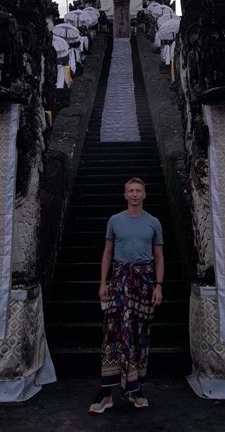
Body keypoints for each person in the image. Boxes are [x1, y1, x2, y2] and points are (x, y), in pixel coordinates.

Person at [88, 177, 164, 414]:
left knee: (140, 335)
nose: (134, 194)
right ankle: (106, 392)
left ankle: (136, 388)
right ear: (125, 195)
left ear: (144, 194)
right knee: (114, 333)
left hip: (144, 282)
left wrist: (158, 286)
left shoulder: (153, 222)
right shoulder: (115, 220)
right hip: (119, 280)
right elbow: (108, 253)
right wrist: (103, 283)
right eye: (130, 190)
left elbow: (159, 257)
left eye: (138, 190)